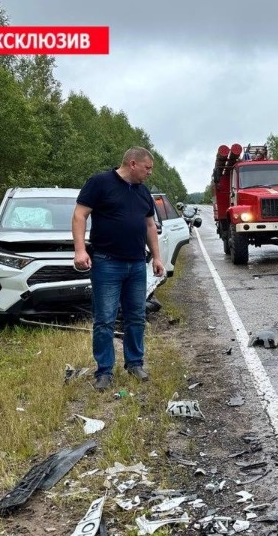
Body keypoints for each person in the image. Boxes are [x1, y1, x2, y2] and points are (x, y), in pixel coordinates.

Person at [73, 147, 165, 391]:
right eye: (147, 168)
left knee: (136, 316)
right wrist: (80, 250)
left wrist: (157, 257)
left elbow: (149, 226)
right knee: (105, 319)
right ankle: (104, 371)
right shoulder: (100, 183)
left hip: (136, 264)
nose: (150, 173)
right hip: (106, 262)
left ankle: (134, 363)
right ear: (133, 164)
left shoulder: (143, 192)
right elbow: (80, 215)